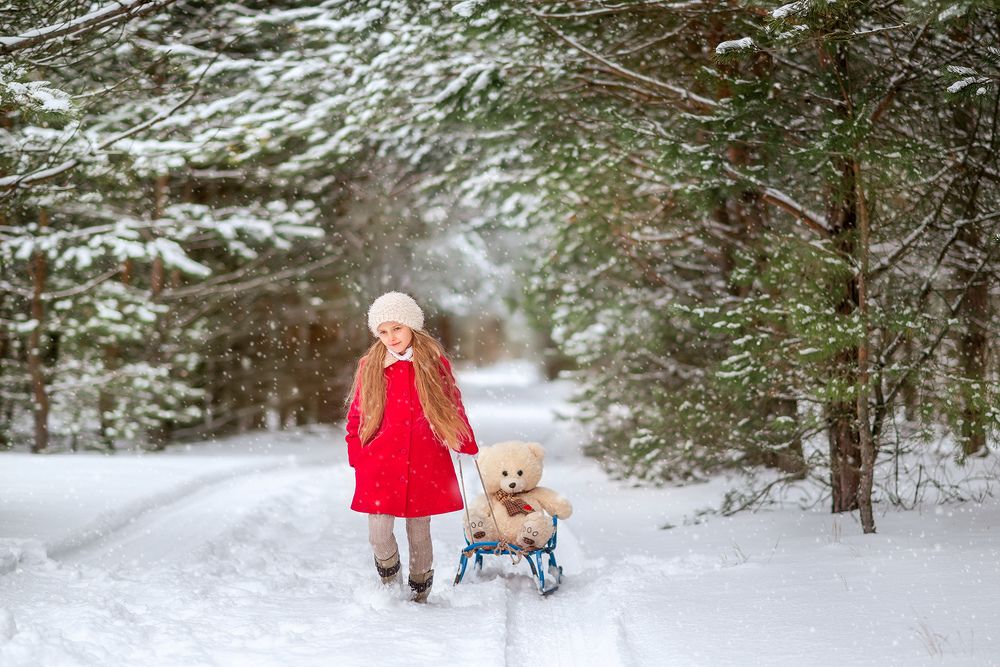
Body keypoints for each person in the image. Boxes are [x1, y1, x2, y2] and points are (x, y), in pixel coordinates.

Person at [344, 291, 479, 603]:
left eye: (397, 329)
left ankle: (420, 591)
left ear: (412, 327)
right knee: (379, 533)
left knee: (419, 532)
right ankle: (390, 581)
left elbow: (452, 404)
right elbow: (357, 414)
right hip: (380, 461)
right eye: (383, 331)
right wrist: (357, 455)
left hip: (424, 457)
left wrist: (465, 441)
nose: (391, 338)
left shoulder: (433, 362)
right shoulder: (371, 365)